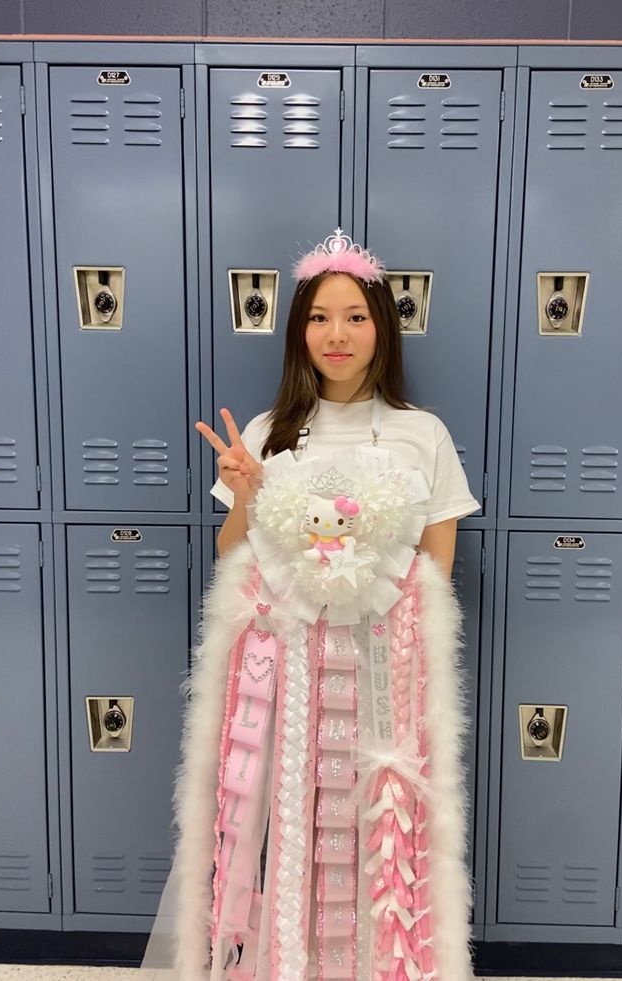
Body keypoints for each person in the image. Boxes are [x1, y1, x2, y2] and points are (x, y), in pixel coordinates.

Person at [140, 229, 480, 981]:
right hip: (289, 677)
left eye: (355, 316)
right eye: (320, 316)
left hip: (384, 676)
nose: (337, 333)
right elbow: (235, 556)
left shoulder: (423, 435)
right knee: (293, 832)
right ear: (299, 330)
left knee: (384, 835)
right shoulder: (267, 433)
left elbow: (437, 568)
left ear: (381, 328)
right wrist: (247, 493)